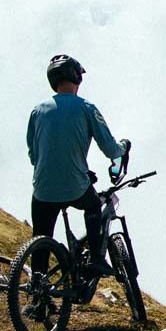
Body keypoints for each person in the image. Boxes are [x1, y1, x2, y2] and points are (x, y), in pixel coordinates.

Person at [26, 53, 124, 275]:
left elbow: (33, 154)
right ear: (76, 77)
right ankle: (96, 259)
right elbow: (110, 149)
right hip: (75, 186)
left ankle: (37, 286)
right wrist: (124, 148)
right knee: (93, 206)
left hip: (43, 188)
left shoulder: (37, 110)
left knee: (41, 236)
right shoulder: (86, 107)